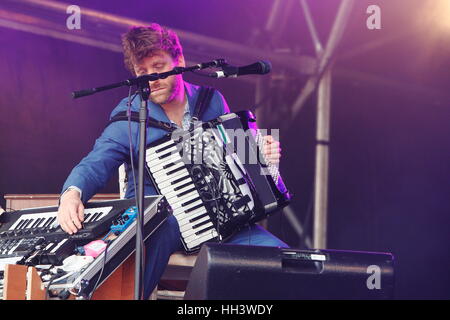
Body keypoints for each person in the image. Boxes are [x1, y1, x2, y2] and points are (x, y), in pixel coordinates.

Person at [57, 23, 288, 299]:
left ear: (179, 60)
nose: (152, 79)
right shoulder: (130, 117)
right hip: (162, 227)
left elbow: (238, 163)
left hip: (222, 224)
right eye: (143, 73)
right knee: (162, 222)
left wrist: (262, 158)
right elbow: (96, 162)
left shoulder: (211, 100)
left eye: (158, 67)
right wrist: (72, 193)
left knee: (284, 264)